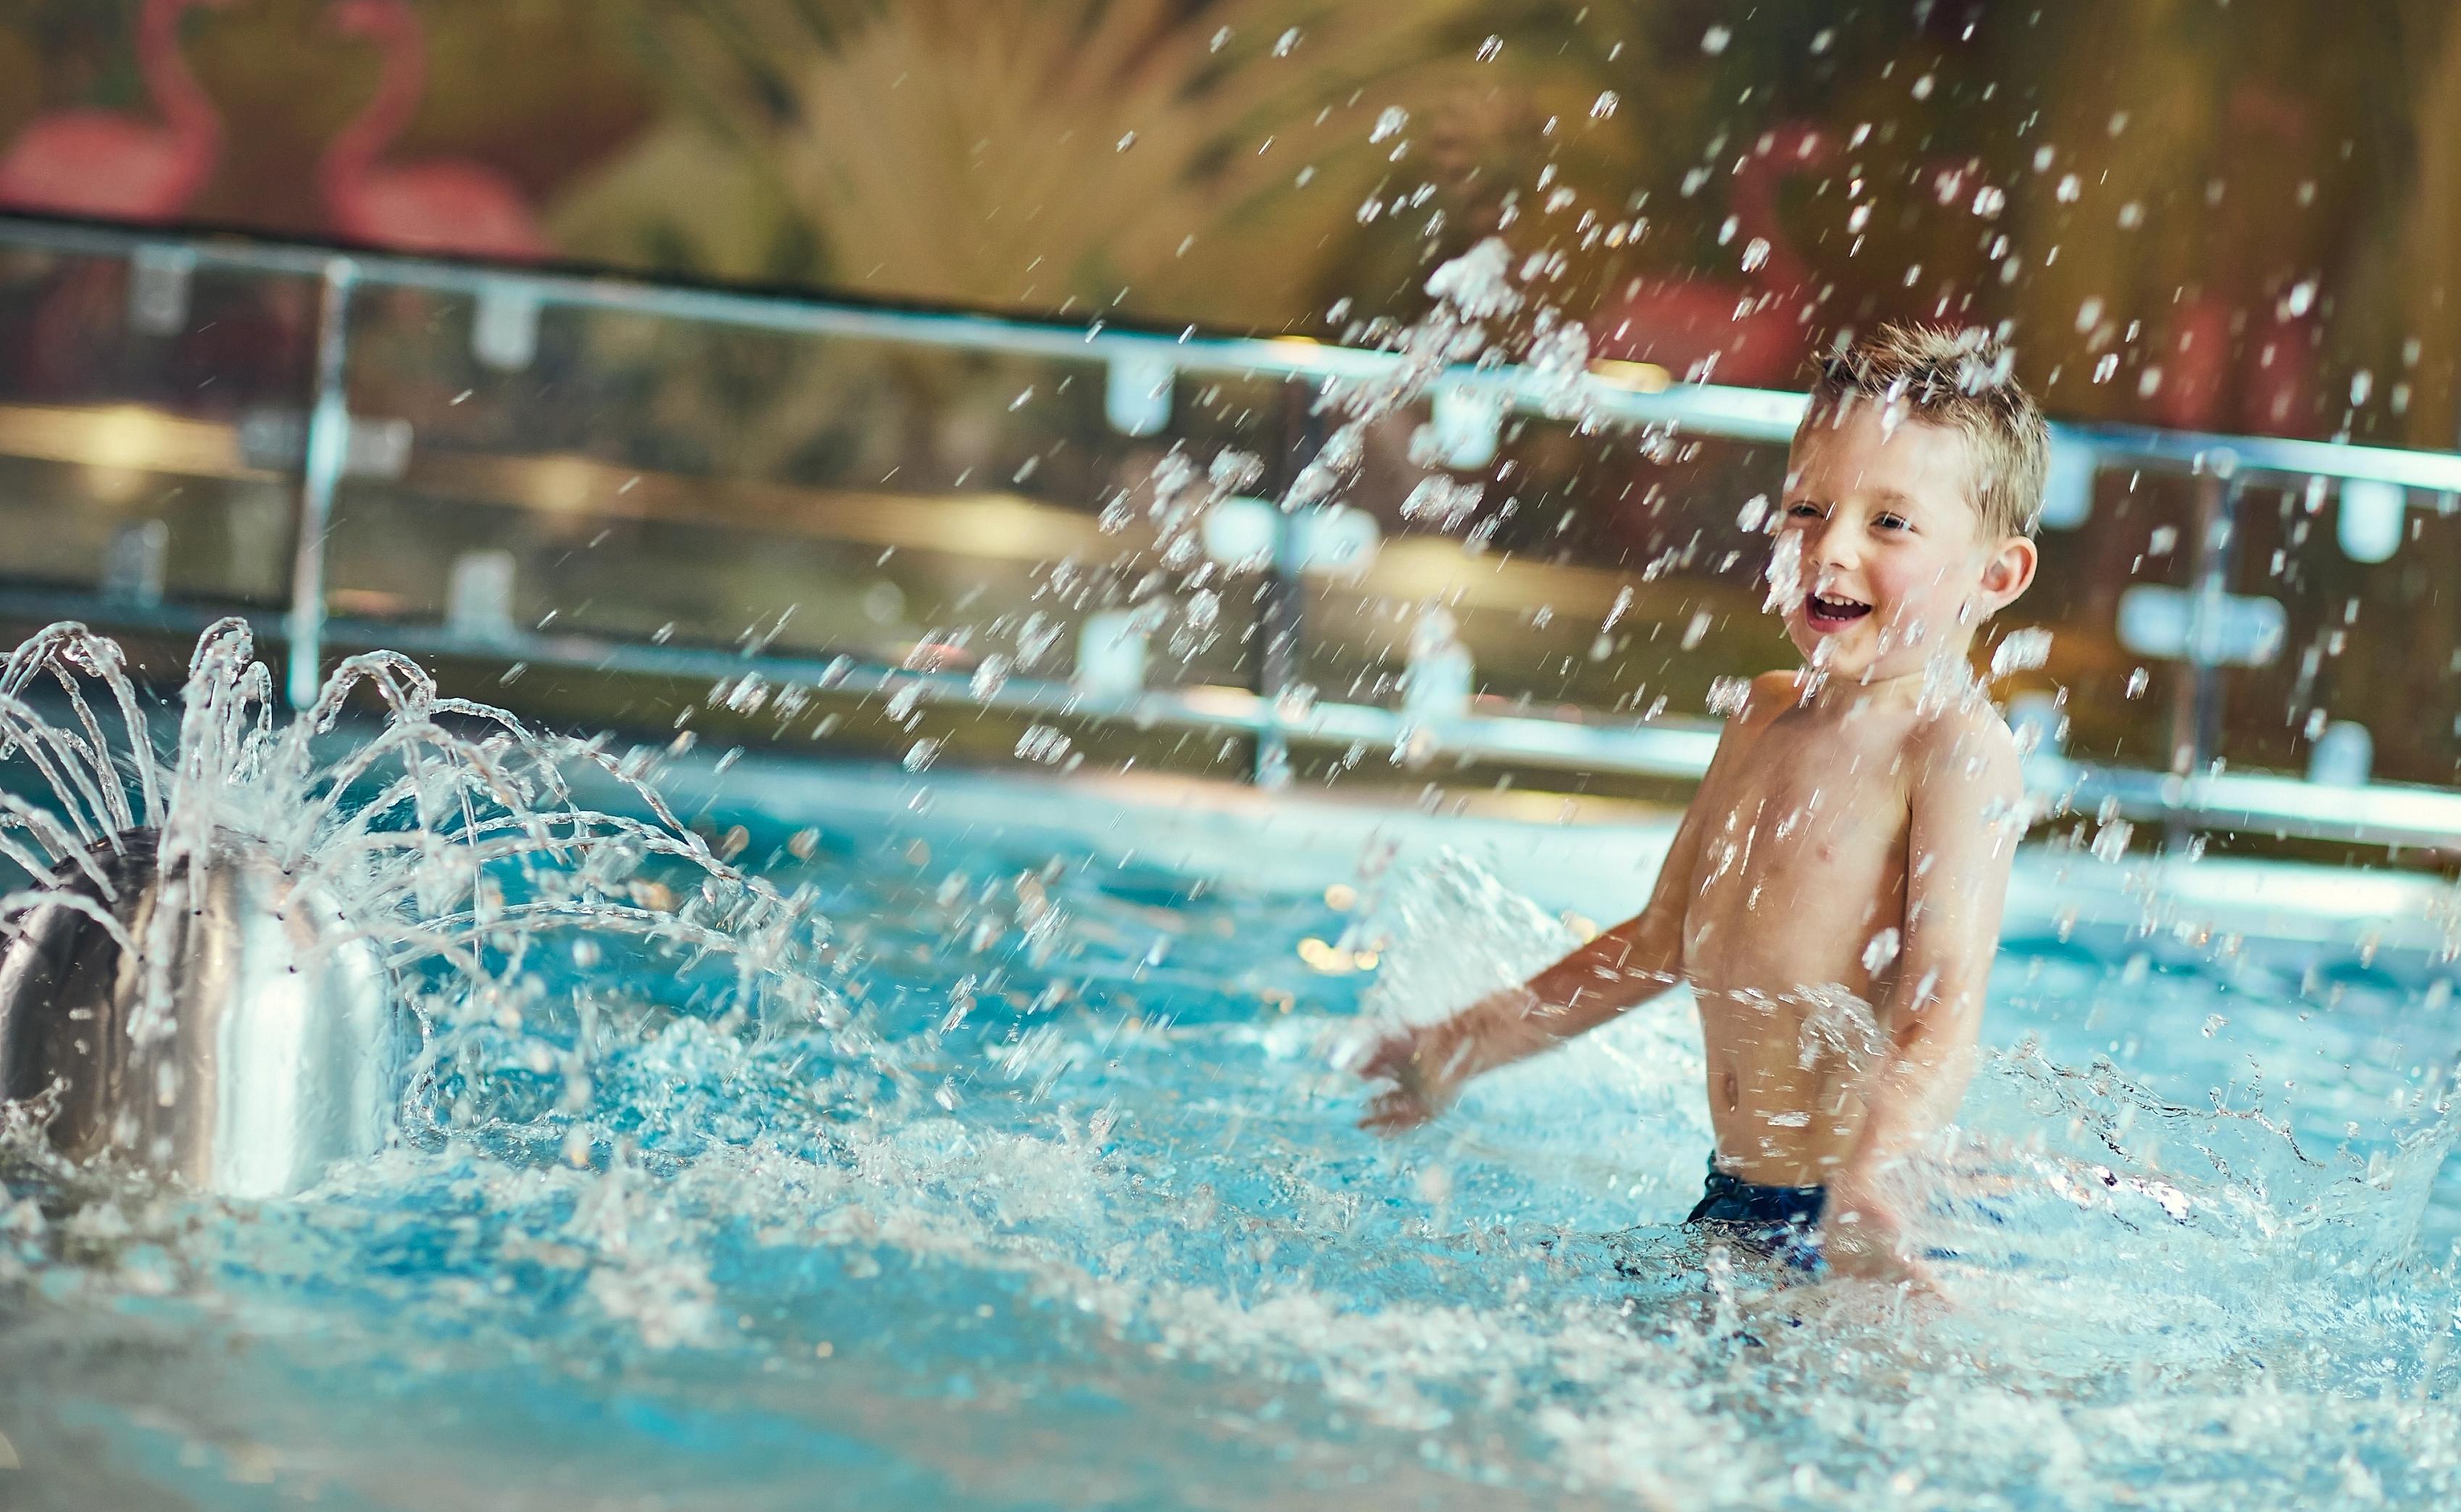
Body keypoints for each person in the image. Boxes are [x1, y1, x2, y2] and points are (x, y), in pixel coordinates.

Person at [1354, 324, 2047, 1287]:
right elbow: (1657, 943)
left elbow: (1940, 1015)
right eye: (1809, 506)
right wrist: (1453, 1046)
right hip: (1740, 1197)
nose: (1830, 548)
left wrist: (1871, 1176)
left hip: (1851, 1219)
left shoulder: (1953, 750)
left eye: (1890, 523)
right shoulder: (1764, 714)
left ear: (1995, 575)